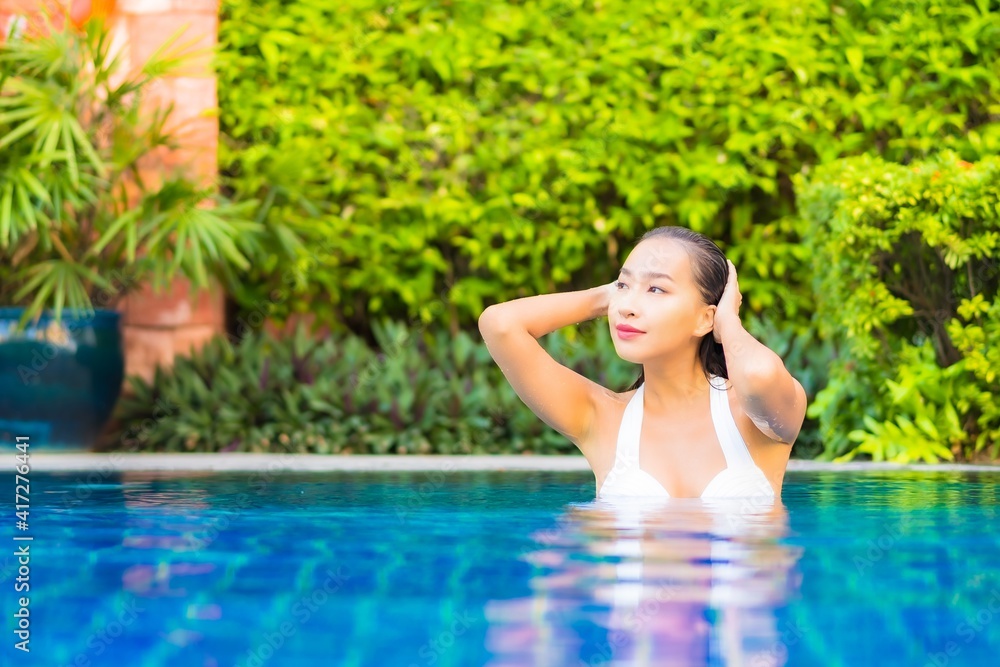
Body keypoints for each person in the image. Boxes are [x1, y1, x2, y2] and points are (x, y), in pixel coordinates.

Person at [478, 225, 807, 500]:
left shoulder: (752, 415)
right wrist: (610, 297)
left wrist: (727, 321)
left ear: (705, 318)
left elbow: (758, 374)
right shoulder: (600, 417)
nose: (628, 306)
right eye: (622, 284)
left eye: (656, 289)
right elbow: (500, 324)